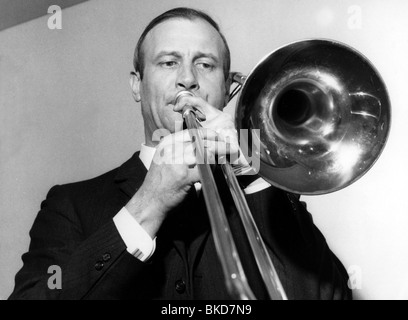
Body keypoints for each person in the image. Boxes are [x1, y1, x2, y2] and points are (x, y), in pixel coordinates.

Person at [9, 7, 351, 300]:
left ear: (229, 87)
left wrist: (258, 172)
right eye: (169, 62)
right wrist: (148, 204)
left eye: (205, 65)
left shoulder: (271, 194)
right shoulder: (71, 204)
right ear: (136, 85)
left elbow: (330, 294)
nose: (187, 79)